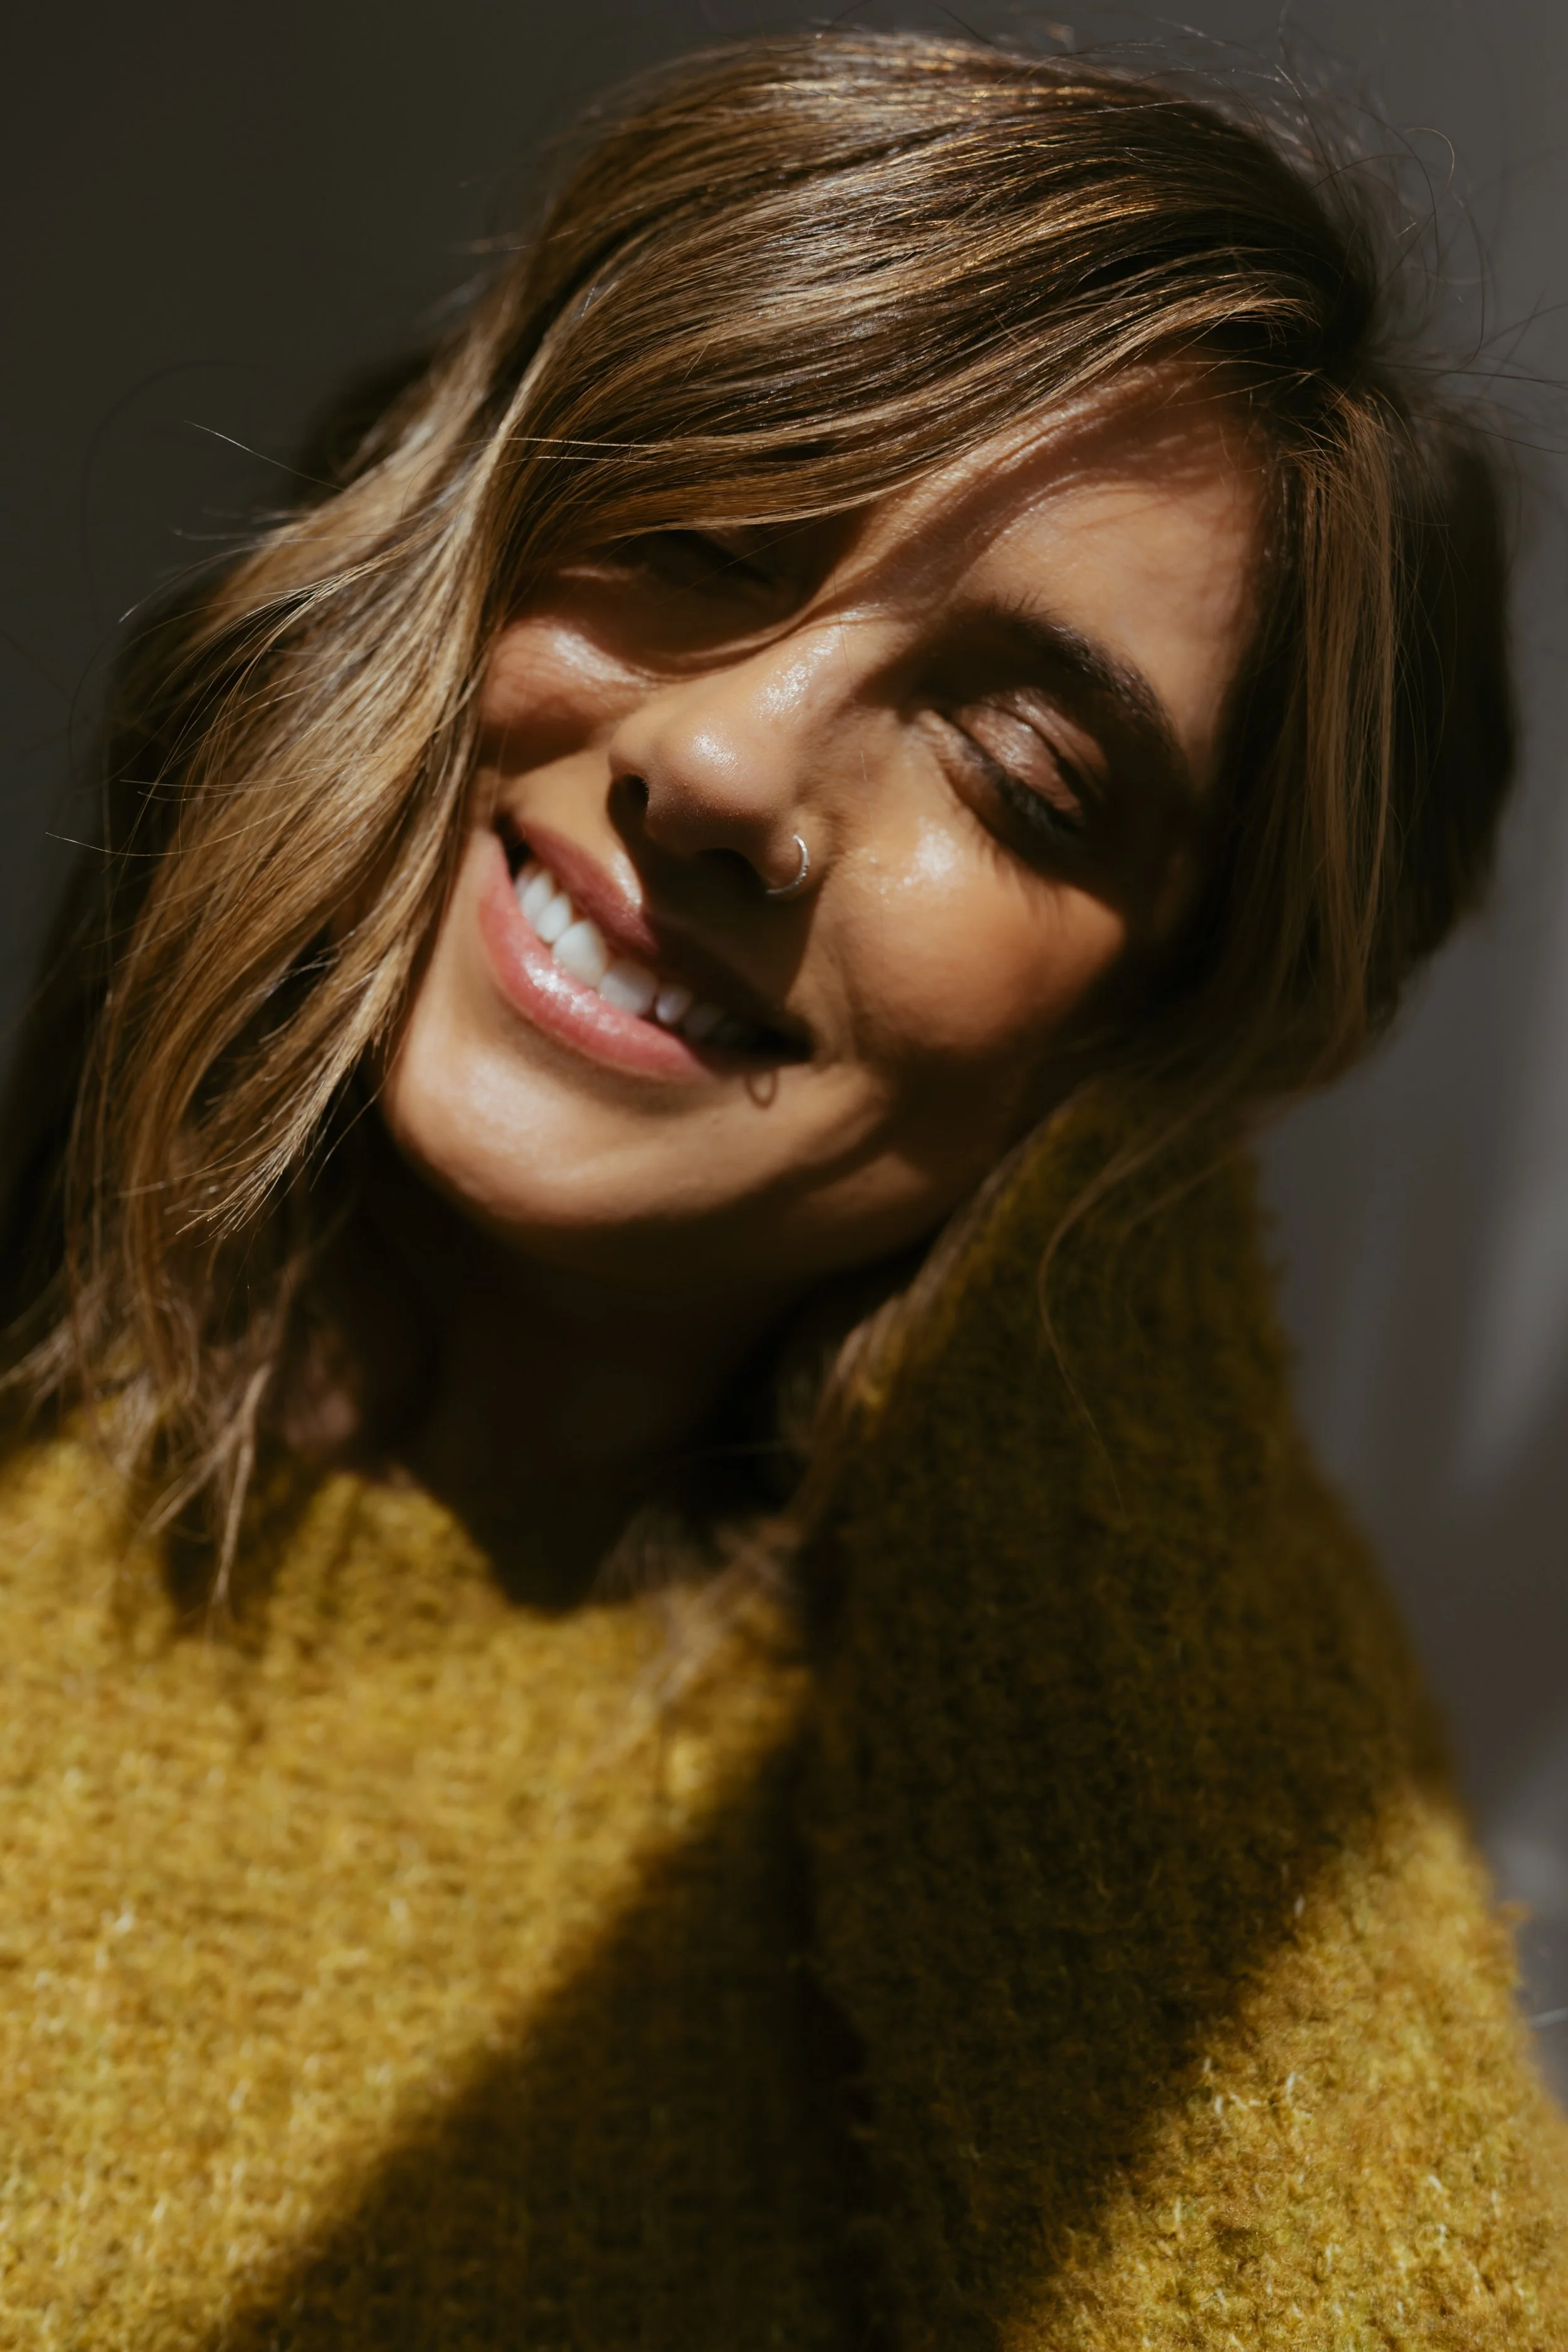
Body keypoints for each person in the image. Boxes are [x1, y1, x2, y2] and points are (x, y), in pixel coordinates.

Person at [1, 28, 1564, 2348]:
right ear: (447, 554)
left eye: (1021, 769)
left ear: (1171, 1035)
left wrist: (1097, 1307)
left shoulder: (1051, 1822)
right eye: (708, 533)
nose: (726, 761)